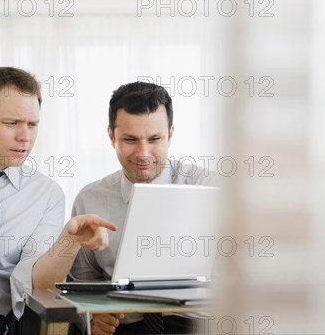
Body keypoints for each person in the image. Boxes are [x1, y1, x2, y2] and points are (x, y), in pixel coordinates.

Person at [0, 67, 117, 335]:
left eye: (32, 125)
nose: (25, 137)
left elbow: (36, 284)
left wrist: (70, 240)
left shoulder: (46, 195)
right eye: (12, 123)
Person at [69, 82, 217, 335]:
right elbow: (83, 280)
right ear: (111, 136)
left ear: (170, 133)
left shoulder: (210, 188)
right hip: (125, 324)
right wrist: (92, 319)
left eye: (155, 139)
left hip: (195, 324)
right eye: (130, 139)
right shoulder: (90, 199)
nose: (143, 153)